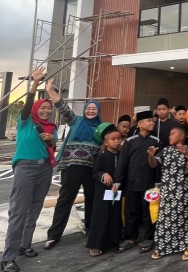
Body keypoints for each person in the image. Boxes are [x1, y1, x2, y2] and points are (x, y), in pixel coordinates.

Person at [2, 68, 57, 272]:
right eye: (42, 108)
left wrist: (52, 140)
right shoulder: (25, 122)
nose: (45, 111)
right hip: (25, 167)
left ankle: (25, 245)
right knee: (18, 212)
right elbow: (27, 106)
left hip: (45, 169)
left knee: (34, 210)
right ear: (36, 108)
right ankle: (8, 257)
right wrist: (35, 84)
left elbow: (53, 148)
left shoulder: (51, 127)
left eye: (48, 108)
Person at [43, 80, 103, 250]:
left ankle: (91, 229)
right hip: (71, 167)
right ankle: (54, 235)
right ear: (84, 111)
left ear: (99, 111)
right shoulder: (76, 121)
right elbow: (62, 107)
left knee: (92, 199)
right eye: (88, 108)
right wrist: (51, 91)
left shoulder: (102, 127)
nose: (90, 111)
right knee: (64, 200)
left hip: (92, 169)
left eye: (94, 108)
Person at [112, 110, 159, 254]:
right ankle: (130, 238)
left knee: (148, 213)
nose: (152, 123)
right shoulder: (130, 142)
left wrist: (158, 183)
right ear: (139, 124)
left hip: (149, 184)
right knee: (131, 212)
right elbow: (122, 163)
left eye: (152, 121)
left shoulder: (156, 141)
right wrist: (118, 181)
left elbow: (158, 164)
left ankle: (149, 238)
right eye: (148, 121)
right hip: (131, 183)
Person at [148, 126, 188, 261]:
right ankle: (162, 247)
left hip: (183, 190)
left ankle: (187, 246)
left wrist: (187, 153)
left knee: (183, 218)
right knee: (164, 219)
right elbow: (153, 165)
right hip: (167, 191)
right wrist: (151, 156)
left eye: (172, 134)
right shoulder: (166, 150)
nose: (170, 136)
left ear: (181, 136)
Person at [87, 124, 122, 257]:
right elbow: (95, 172)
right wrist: (103, 175)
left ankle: (113, 241)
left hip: (116, 190)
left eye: (118, 138)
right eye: (113, 139)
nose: (117, 141)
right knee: (101, 216)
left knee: (114, 215)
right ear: (106, 142)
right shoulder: (102, 155)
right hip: (103, 191)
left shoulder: (121, 155)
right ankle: (95, 244)